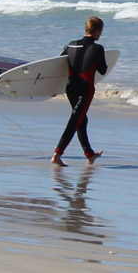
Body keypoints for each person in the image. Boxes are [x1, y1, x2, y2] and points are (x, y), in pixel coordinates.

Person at [50, 17, 108, 167]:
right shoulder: (97, 49)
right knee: (75, 120)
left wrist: (54, 88)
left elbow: (58, 64)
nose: (100, 35)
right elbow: (103, 70)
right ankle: (57, 153)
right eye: (100, 31)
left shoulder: (71, 44)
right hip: (84, 90)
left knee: (82, 119)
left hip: (70, 88)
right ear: (96, 31)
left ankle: (89, 154)